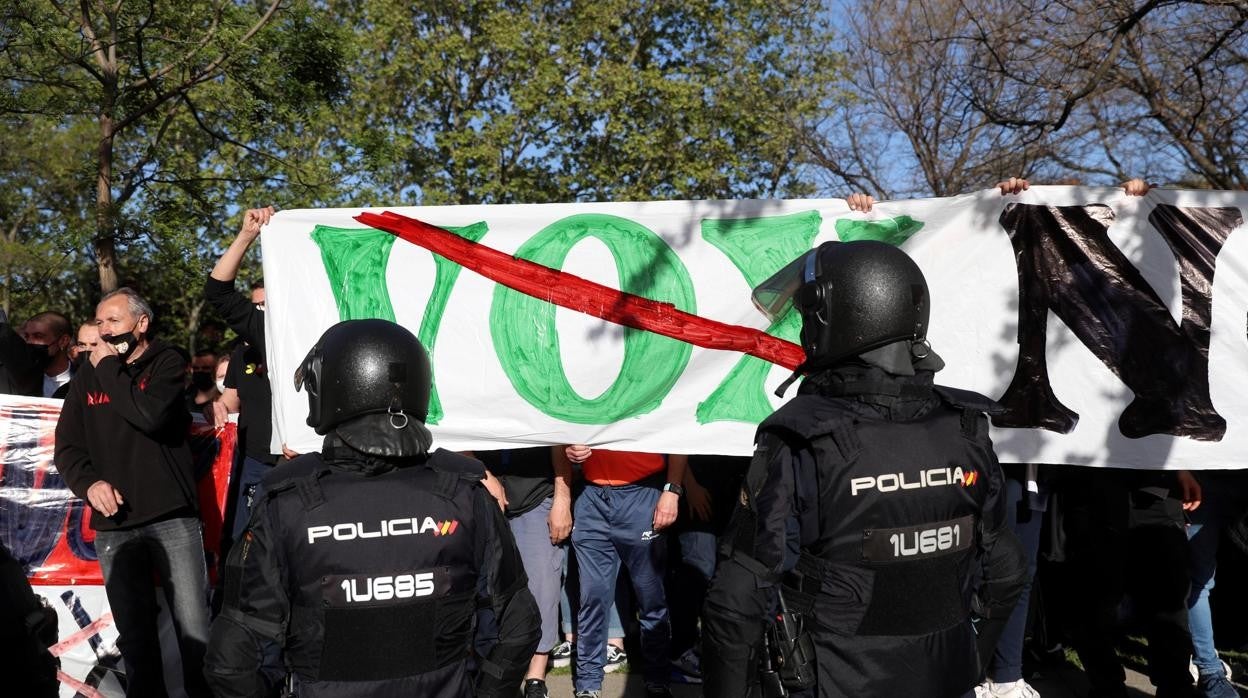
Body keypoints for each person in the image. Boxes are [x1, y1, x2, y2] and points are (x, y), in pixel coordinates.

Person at [702, 239, 1027, 698]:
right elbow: (1007, 570)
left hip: (838, 681)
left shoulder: (801, 436)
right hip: (947, 678)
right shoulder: (965, 427)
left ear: (836, 318)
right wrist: (969, 663)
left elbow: (735, 603)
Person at [204, 319, 540, 697]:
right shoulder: (464, 494)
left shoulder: (288, 502)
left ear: (333, 387)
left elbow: (235, 658)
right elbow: (516, 627)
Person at [53, 287, 212, 697]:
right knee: (137, 642)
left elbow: (150, 416)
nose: (104, 331)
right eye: (100, 321)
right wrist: (90, 483)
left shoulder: (168, 362)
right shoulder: (87, 374)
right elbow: (67, 447)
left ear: (141, 324)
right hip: (115, 528)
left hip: (171, 517)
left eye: (114, 321)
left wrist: (107, 368)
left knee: (196, 636)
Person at [563, 445, 686, 698]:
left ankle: (657, 680)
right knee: (593, 597)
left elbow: (679, 432)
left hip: (642, 493)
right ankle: (588, 684)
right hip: (591, 495)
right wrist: (570, 449)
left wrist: (672, 490)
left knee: (650, 597)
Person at [205, 206, 284, 543]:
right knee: (245, 551)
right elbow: (218, 293)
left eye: (269, 305)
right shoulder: (245, 350)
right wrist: (247, 235)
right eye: (256, 308)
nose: (261, 314)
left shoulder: (321, 333)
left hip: (314, 463)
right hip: (257, 465)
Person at [19, 311, 74, 398]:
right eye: (27, 336)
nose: (29, 342)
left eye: (38, 336)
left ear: (63, 341)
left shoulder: (84, 380)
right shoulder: (19, 379)